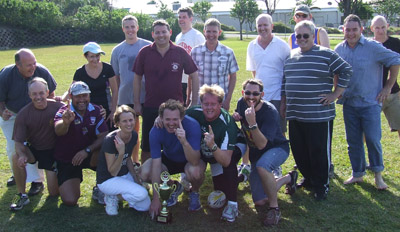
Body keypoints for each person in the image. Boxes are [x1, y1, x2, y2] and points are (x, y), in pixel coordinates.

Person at [284, 20, 353, 200]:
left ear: (313, 36)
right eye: (298, 36)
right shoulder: (290, 56)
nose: (301, 39)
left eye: (305, 35)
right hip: (296, 114)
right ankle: (308, 178)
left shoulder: (326, 54)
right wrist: (284, 107)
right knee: (299, 150)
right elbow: (285, 83)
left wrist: (336, 94)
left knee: (318, 151)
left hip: (319, 116)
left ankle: (321, 185)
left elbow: (346, 70)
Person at [335, 14, 400, 190]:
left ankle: (378, 176)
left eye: (354, 29)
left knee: (372, 139)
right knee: (353, 141)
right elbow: (334, 70)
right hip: (349, 104)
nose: (351, 33)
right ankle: (357, 174)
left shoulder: (373, 47)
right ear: (344, 30)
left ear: (361, 30)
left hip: (370, 103)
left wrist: (388, 87)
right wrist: (337, 90)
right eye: (347, 30)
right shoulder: (340, 49)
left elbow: (395, 61)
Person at [133, 19, 199, 163]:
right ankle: (147, 177)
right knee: (147, 146)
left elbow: (194, 74)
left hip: (175, 108)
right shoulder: (144, 52)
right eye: (157, 32)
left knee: (179, 140)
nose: (161, 35)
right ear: (152, 34)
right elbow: (137, 78)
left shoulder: (180, 52)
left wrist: (194, 101)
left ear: (170, 33)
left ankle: (182, 173)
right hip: (151, 106)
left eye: (164, 32)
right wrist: (137, 103)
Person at [233, 79, 297, 226]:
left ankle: (274, 209)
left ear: (262, 94)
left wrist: (252, 123)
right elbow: (239, 118)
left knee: (262, 166)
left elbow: (262, 145)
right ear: (243, 92)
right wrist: (236, 116)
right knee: (260, 201)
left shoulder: (270, 112)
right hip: (257, 154)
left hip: (277, 148)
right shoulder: (241, 103)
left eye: (255, 93)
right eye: (247, 93)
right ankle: (288, 179)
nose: (251, 97)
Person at [0, 48, 57, 193]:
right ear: (18, 65)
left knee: (34, 144)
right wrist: (2, 113)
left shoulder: (42, 71)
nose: (33, 67)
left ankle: (36, 182)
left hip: (37, 114)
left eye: (34, 63)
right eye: (28, 65)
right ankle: (18, 173)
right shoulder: (6, 75)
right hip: (13, 114)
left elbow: (51, 93)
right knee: (14, 146)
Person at [185, 84, 245, 222]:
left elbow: (225, 160)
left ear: (220, 104)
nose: (209, 107)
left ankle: (233, 205)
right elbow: (176, 115)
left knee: (228, 167)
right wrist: (160, 118)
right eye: (206, 104)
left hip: (230, 148)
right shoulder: (195, 111)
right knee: (220, 188)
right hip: (210, 150)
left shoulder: (227, 123)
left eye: (213, 104)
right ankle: (242, 177)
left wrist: (212, 146)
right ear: (201, 103)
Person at [139, 99, 203, 220]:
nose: (171, 123)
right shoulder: (156, 130)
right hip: (170, 158)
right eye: (167, 119)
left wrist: (184, 141)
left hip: (189, 158)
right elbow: (156, 164)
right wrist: (156, 199)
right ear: (161, 118)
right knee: (144, 172)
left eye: (175, 119)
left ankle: (194, 192)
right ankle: (174, 186)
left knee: (195, 171)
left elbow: (194, 161)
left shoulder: (192, 125)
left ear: (182, 118)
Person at [245, 13, 290, 179]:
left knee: (278, 133)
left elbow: (287, 74)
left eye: (266, 25)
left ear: (272, 26)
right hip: (258, 98)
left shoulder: (282, 46)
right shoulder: (252, 46)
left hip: (277, 96)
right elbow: (254, 72)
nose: (263, 28)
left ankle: (275, 165)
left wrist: (284, 100)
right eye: (259, 26)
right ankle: (256, 164)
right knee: (255, 131)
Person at [10, 78, 64, 210]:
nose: (38, 97)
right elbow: (18, 142)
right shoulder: (23, 114)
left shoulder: (59, 107)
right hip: (35, 149)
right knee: (15, 157)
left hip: (52, 152)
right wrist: (22, 155)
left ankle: (53, 176)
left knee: (54, 193)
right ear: (29, 95)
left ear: (47, 92)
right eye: (34, 94)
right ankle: (21, 195)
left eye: (41, 93)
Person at [54, 81, 108, 206]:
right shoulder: (64, 112)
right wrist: (65, 123)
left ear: (89, 96)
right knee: (70, 200)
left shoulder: (96, 110)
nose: (82, 99)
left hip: (88, 153)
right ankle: (60, 175)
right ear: (71, 97)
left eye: (85, 95)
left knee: (105, 149)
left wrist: (87, 150)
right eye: (78, 96)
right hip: (68, 158)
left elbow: (103, 135)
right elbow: (58, 131)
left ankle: (100, 187)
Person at [111, 15, 151, 166]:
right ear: (123, 29)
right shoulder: (117, 50)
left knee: (147, 132)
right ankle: (132, 161)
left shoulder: (147, 46)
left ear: (138, 27)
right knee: (130, 132)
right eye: (127, 27)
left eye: (133, 26)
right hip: (125, 97)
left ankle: (147, 162)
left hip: (146, 96)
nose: (130, 30)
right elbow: (115, 77)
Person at [96, 105, 150, 216]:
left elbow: (128, 158)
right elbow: (113, 172)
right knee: (142, 193)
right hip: (108, 179)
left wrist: (135, 178)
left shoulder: (133, 135)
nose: (129, 124)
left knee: (145, 205)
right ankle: (112, 196)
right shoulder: (110, 140)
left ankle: (119, 195)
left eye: (131, 120)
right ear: (118, 123)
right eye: (124, 121)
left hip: (124, 174)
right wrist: (120, 153)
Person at [191, 18, 238, 111]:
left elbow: (233, 77)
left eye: (214, 32)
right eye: (208, 31)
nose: (211, 35)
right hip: (200, 102)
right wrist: (191, 100)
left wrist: (227, 100)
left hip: (220, 102)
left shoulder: (228, 52)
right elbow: (191, 78)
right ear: (204, 32)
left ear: (219, 32)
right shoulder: (195, 52)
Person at [70, 42, 118, 128]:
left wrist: (113, 111)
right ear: (86, 56)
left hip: (106, 108)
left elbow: (114, 90)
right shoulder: (80, 72)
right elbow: (72, 90)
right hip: (87, 109)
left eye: (97, 56)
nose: (95, 59)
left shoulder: (108, 68)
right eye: (92, 56)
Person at [371, 15, 400, 140]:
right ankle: (362, 159)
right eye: (377, 28)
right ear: (371, 28)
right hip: (373, 95)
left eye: (383, 27)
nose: (380, 31)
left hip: (393, 94)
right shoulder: (368, 45)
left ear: (387, 26)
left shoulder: (396, 43)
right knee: (368, 129)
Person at [175, 7, 205, 106]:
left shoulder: (197, 36)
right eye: (179, 17)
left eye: (184, 17)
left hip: (193, 79)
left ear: (191, 19)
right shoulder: (178, 36)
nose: (181, 19)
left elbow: (203, 59)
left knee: (192, 108)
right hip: (180, 79)